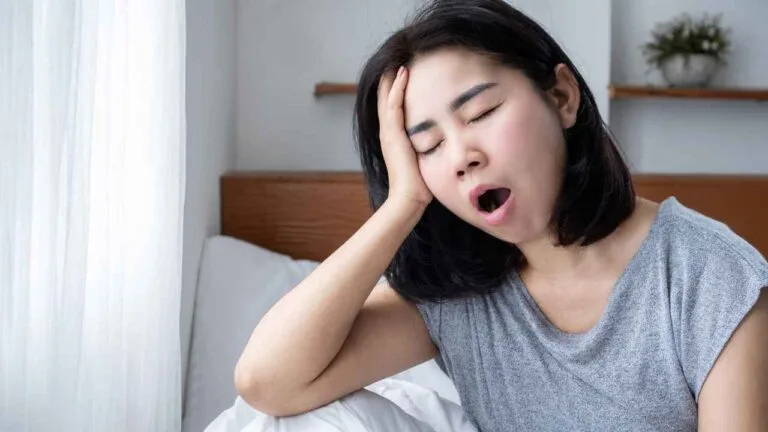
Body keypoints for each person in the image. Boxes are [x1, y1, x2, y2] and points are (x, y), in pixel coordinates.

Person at [233, 0, 768, 430]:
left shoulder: (712, 277)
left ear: (562, 96)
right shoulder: (459, 296)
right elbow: (268, 383)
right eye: (428, 145)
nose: (463, 155)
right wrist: (402, 206)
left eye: (481, 113)